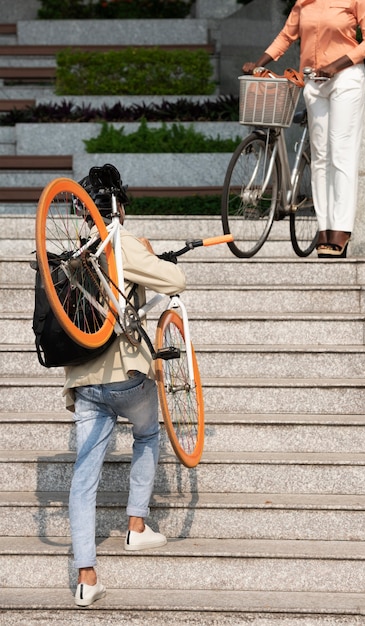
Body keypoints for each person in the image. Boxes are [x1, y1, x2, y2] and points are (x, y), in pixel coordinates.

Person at [64, 165, 186, 607]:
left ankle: (86, 577)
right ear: (119, 207)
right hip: (127, 377)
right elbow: (176, 281)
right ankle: (136, 526)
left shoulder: (74, 256)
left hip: (82, 382)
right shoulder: (122, 243)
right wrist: (147, 254)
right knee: (148, 432)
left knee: (83, 477)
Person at [243, 0, 365, 258]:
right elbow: (286, 36)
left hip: (346, 78)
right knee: (320, 157)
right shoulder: (304, 2)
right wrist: (259, 63)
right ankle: (324, 227)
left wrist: (336, 65)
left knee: (341, 152)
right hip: (314, 82)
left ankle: (341, 228)